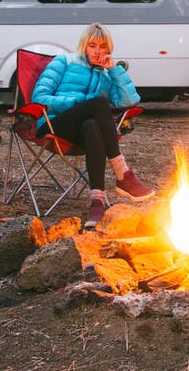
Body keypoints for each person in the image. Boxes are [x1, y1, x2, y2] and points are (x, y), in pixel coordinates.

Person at [32, 23, 156, 228]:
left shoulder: (107, 75)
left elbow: (129, 101)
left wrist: (114, 70)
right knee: (97, 103)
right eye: (92, 45)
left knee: (91, 124)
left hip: (80, 133)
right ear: (84, 46)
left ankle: (97, 201)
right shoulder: (64, 61)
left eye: (103, 46)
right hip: (53, 124)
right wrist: (79, 102)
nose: (98, 51)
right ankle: (123, 174)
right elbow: (40, 97)